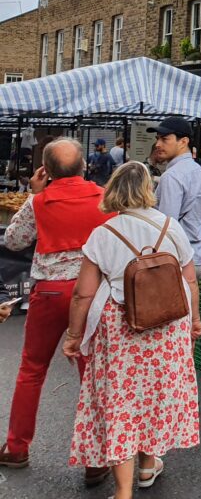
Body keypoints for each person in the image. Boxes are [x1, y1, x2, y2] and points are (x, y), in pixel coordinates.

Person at [63, 162, 201, 499]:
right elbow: (190, 280)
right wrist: (194, 321)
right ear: (147, 190)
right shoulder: (171, 227)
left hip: (121, 328)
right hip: (168, 325)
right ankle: (147, 466)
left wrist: (73, 336)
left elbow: (83, 293)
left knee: (122, 401)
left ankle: (124, 491)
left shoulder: (104, 234)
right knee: (154, 394)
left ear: (113, 189)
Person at [0, 139, 114, 486]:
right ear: (85, 166)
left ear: (45, 171)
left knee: (32, 369)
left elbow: (14, 241)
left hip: (48, 290)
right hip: (91, 291)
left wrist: (36, 195)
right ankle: (96, 458)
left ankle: (17, 446)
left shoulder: (40, 201)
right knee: (92, 372)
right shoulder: (104, 196)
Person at [149, 117, 201, 278]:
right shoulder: (200, 172)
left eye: (164, 139)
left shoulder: (172, 176)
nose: (158, 144)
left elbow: (167, 226)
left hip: (177, 260)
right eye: (157, 139)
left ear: (183, 141)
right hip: (196, 255)